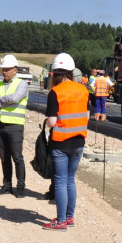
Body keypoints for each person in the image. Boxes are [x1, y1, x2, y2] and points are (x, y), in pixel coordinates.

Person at [42, 52, 89, 231]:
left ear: (54, 73)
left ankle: (60, 221)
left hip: (61, 142)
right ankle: (69, 217)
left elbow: (52, 122)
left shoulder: (55, 92)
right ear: (71, 71)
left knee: (60, 181)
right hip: (78, 141)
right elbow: (87, 116)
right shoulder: (83, 90)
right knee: (70, 180)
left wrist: (47, 122)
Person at [0, 54, 29, 197]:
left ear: (15, 70)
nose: (4, 72)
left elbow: (16, 98)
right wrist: (6, 101)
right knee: (4, 157)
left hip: (15, 126)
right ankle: (7, 185)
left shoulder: (21, 84)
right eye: (3, 69)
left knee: (17, 157)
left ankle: (21, 187)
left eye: (7, 69)